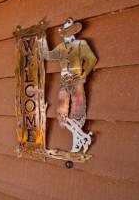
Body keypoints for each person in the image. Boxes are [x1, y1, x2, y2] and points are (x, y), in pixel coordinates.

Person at [41, 18, 97, 154]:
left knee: (78, 108)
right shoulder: (61, 47)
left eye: (69, 32)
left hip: (76, 78)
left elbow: (91, 59)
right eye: (65, 32)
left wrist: (84, 74)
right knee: (62, 112)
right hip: (64, 80)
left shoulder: (80, 44)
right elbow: (47, 55)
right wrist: (42, 41)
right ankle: (81, 137)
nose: (67, 35)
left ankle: (78, 141)